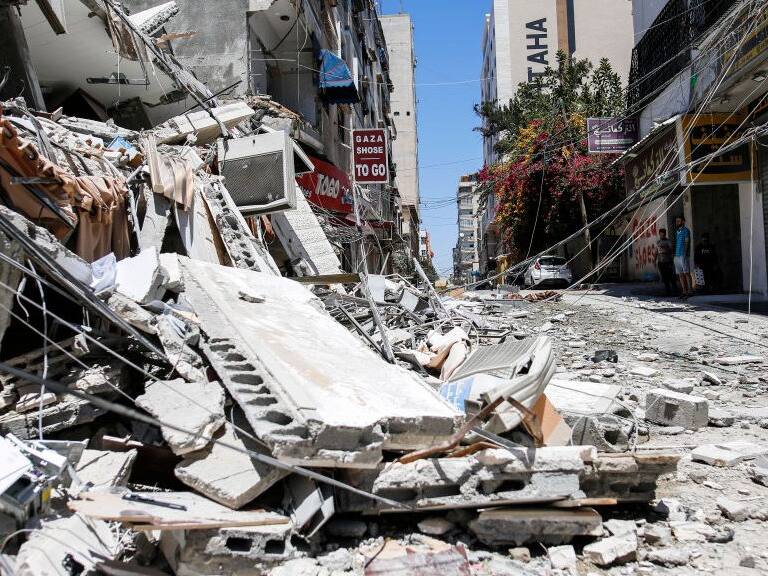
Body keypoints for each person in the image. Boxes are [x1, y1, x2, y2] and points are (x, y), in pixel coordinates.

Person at [674, 216, 692, 298]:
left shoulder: (686, 231)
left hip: (683, 254)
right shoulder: (677, 231)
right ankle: (684, 291)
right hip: (677, 255)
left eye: (679, 221)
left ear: (683, 222)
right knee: (680, 274)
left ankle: (690, 290)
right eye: (676, 221)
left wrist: (685, 253)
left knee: (686, 273)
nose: (677, 222)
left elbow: (686, 242)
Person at [655, 228, 675, 296]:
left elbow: (671, 249)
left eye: (663, 235)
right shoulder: (658, 242)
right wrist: (654, 260)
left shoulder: (668, 241)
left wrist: (665, 250)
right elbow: (656, 252)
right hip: (660, 262)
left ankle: (675, 290)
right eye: (661, 234)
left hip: (668, 261)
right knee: (664, 278)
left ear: (665, 234)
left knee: (670, 276)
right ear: (659, 234)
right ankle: (668, 291)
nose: (662, 236)